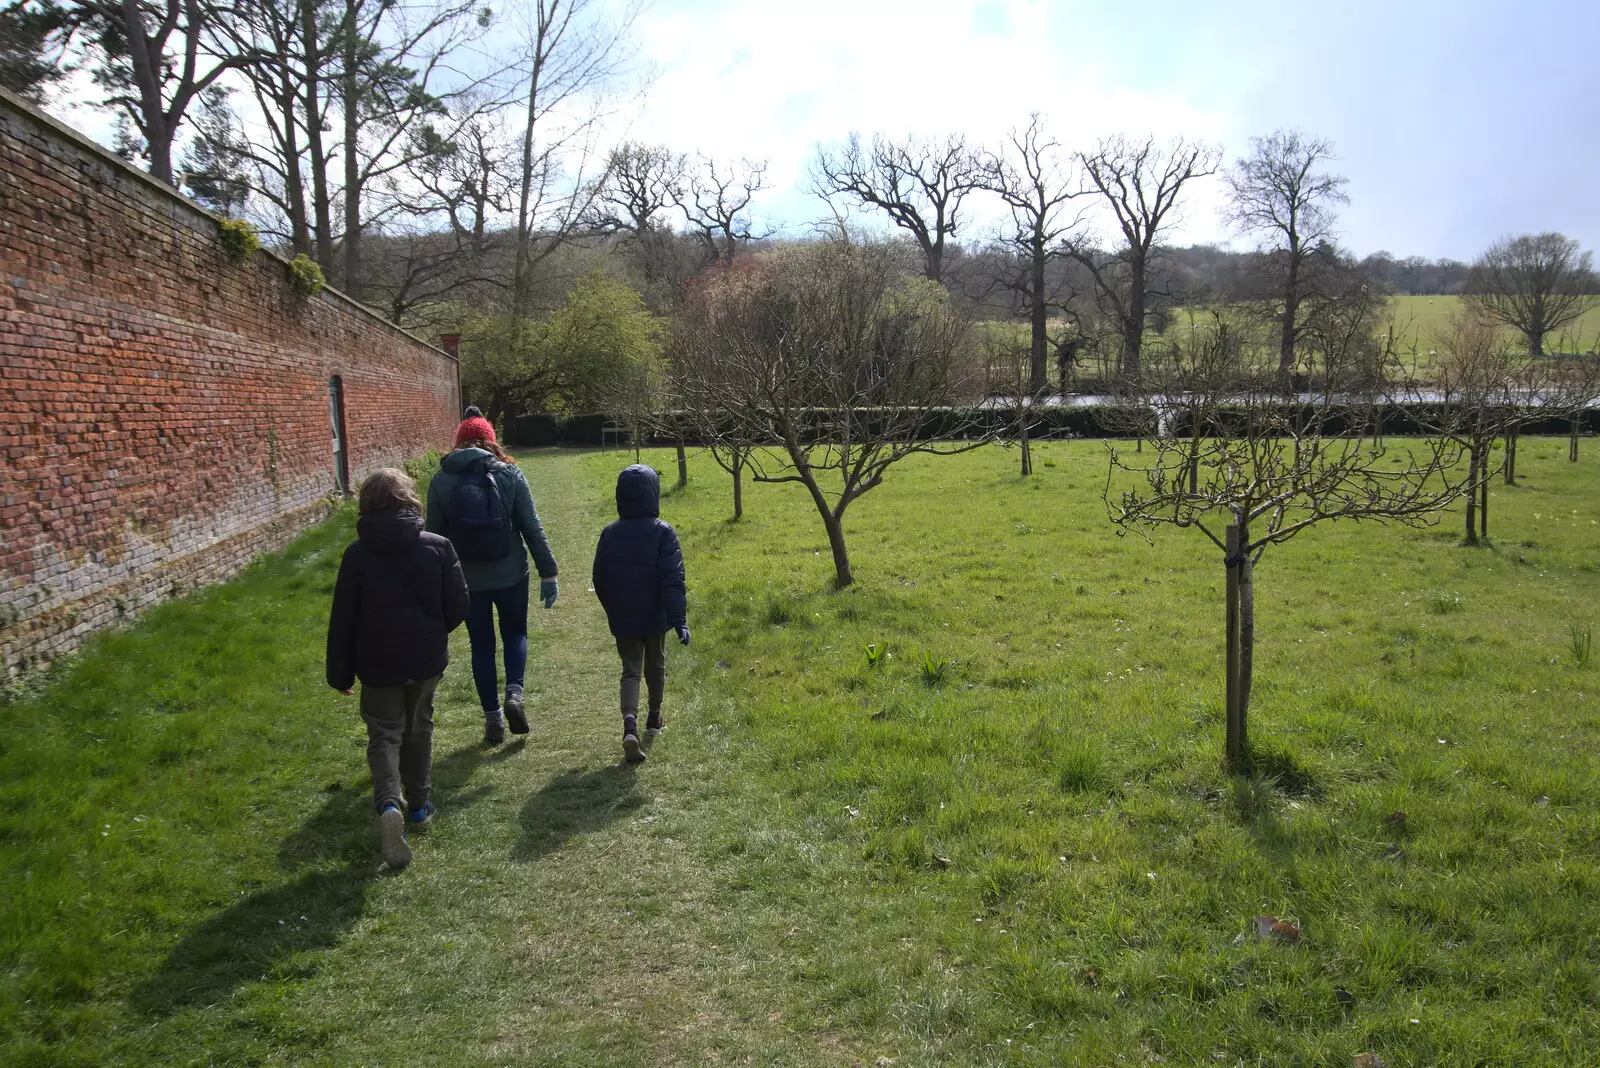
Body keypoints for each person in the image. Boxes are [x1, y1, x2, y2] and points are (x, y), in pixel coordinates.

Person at [327, 468, 470, 870]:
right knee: (419, 727)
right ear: (410, 500)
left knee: (384, 733)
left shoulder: (356, 555)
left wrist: (340, 674)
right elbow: (459, 605)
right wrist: (433, 630)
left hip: (377, 662)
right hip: (424, 658)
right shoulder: (438, 547)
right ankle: (420, 805)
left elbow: (343, 620)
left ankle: (389, 800)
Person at [426, 407, 559, 745]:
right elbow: (531, 526)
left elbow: (434, 538)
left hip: (467, 579)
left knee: (481, 645)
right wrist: (548, 572)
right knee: (515, 633)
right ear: (491, 441)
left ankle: (492, 720)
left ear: (459, 444)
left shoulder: (441, 480)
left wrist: (435, 585)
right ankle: (514, 692)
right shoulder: (510, 474)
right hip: (512, 572)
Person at [592, 464, 689, 764]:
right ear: (653, 495)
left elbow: (599, 578)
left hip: (624, 616)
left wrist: (614, 609)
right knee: (656, 664)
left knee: (631, 670)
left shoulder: (610, 533)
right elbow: (672, 579)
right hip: (654, 616)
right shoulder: (663, 532)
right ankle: (654, 717)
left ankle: (629, 724)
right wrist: (678, 621)